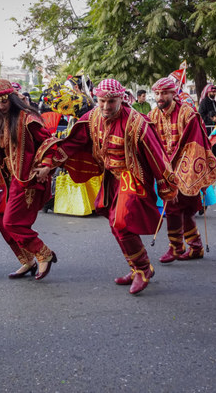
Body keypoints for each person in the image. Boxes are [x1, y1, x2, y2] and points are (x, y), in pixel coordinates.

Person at [34, 79, 178, 295]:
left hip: (133, 176)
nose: (106, 107)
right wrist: (48, 164)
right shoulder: (92, 118)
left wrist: (167, 186)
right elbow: (72, 143)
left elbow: (156, 155)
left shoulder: (137, 123)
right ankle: (138, 266)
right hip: (111, 178)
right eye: (102, 101)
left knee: (121, 223)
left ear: (121, 99)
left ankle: (141, 269)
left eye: (111, 102)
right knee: (115, 225)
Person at [0, 78, 58, 280]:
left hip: (27, 178)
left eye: (5, 101)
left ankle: (44, 253)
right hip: (6, 179)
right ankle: (27, 260)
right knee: (1, 222)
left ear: (13, 99)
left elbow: (48, 142)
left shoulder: (28, 118)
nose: (1, 106)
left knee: (12, 222)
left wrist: (47, 165)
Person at [148, 77, 216, 263]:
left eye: (164, 93)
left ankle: (176, 247)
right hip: (165, 168)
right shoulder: (153, 114)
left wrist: (182, 172)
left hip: (187, 167)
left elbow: (195, 144)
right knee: (181, 209)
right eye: (157, 93)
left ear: (173, 93)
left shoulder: (187, 113)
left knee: (178, 208)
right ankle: (195, 247)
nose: (160, 97)